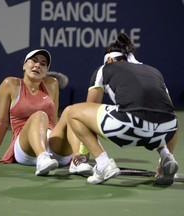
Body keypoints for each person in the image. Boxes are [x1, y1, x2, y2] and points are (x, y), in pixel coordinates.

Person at [67, 33, 179, 185]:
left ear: (110, 60)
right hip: (165, 132)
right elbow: (168, 110)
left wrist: (84, 153)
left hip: (129, 130)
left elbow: (89, 108)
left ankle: (103, 163)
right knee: (163, 114)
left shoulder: (103, 69)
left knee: (74, 112)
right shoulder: (154, 71)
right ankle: (166, 159)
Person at [0, 49, 93, 176]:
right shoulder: (10, 84)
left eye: (43, 64)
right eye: (34, 61)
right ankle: (42, 158)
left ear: (45, 71)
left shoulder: (52, 84)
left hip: (55, 148)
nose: (38, 65)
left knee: (69, 112)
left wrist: (69, 142)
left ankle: (78, 160)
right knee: (40, 115)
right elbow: (2, 121)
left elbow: (54, 119)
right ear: (24, 65)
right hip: (25, 148)